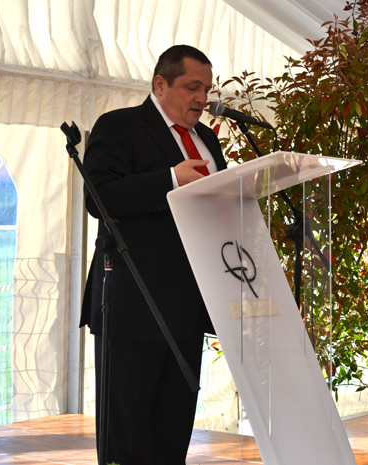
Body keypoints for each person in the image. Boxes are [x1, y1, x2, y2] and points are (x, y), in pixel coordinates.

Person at [81, 45, 226, 465]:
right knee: (127, 438)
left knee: (172, 434)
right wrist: (169, 179)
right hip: (133, 307)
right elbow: (99, 196)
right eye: (192, 87)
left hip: (189, 311)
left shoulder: (207, 139)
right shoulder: (121, 126)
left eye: (206, 89)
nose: (201, 98)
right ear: (160, 85)